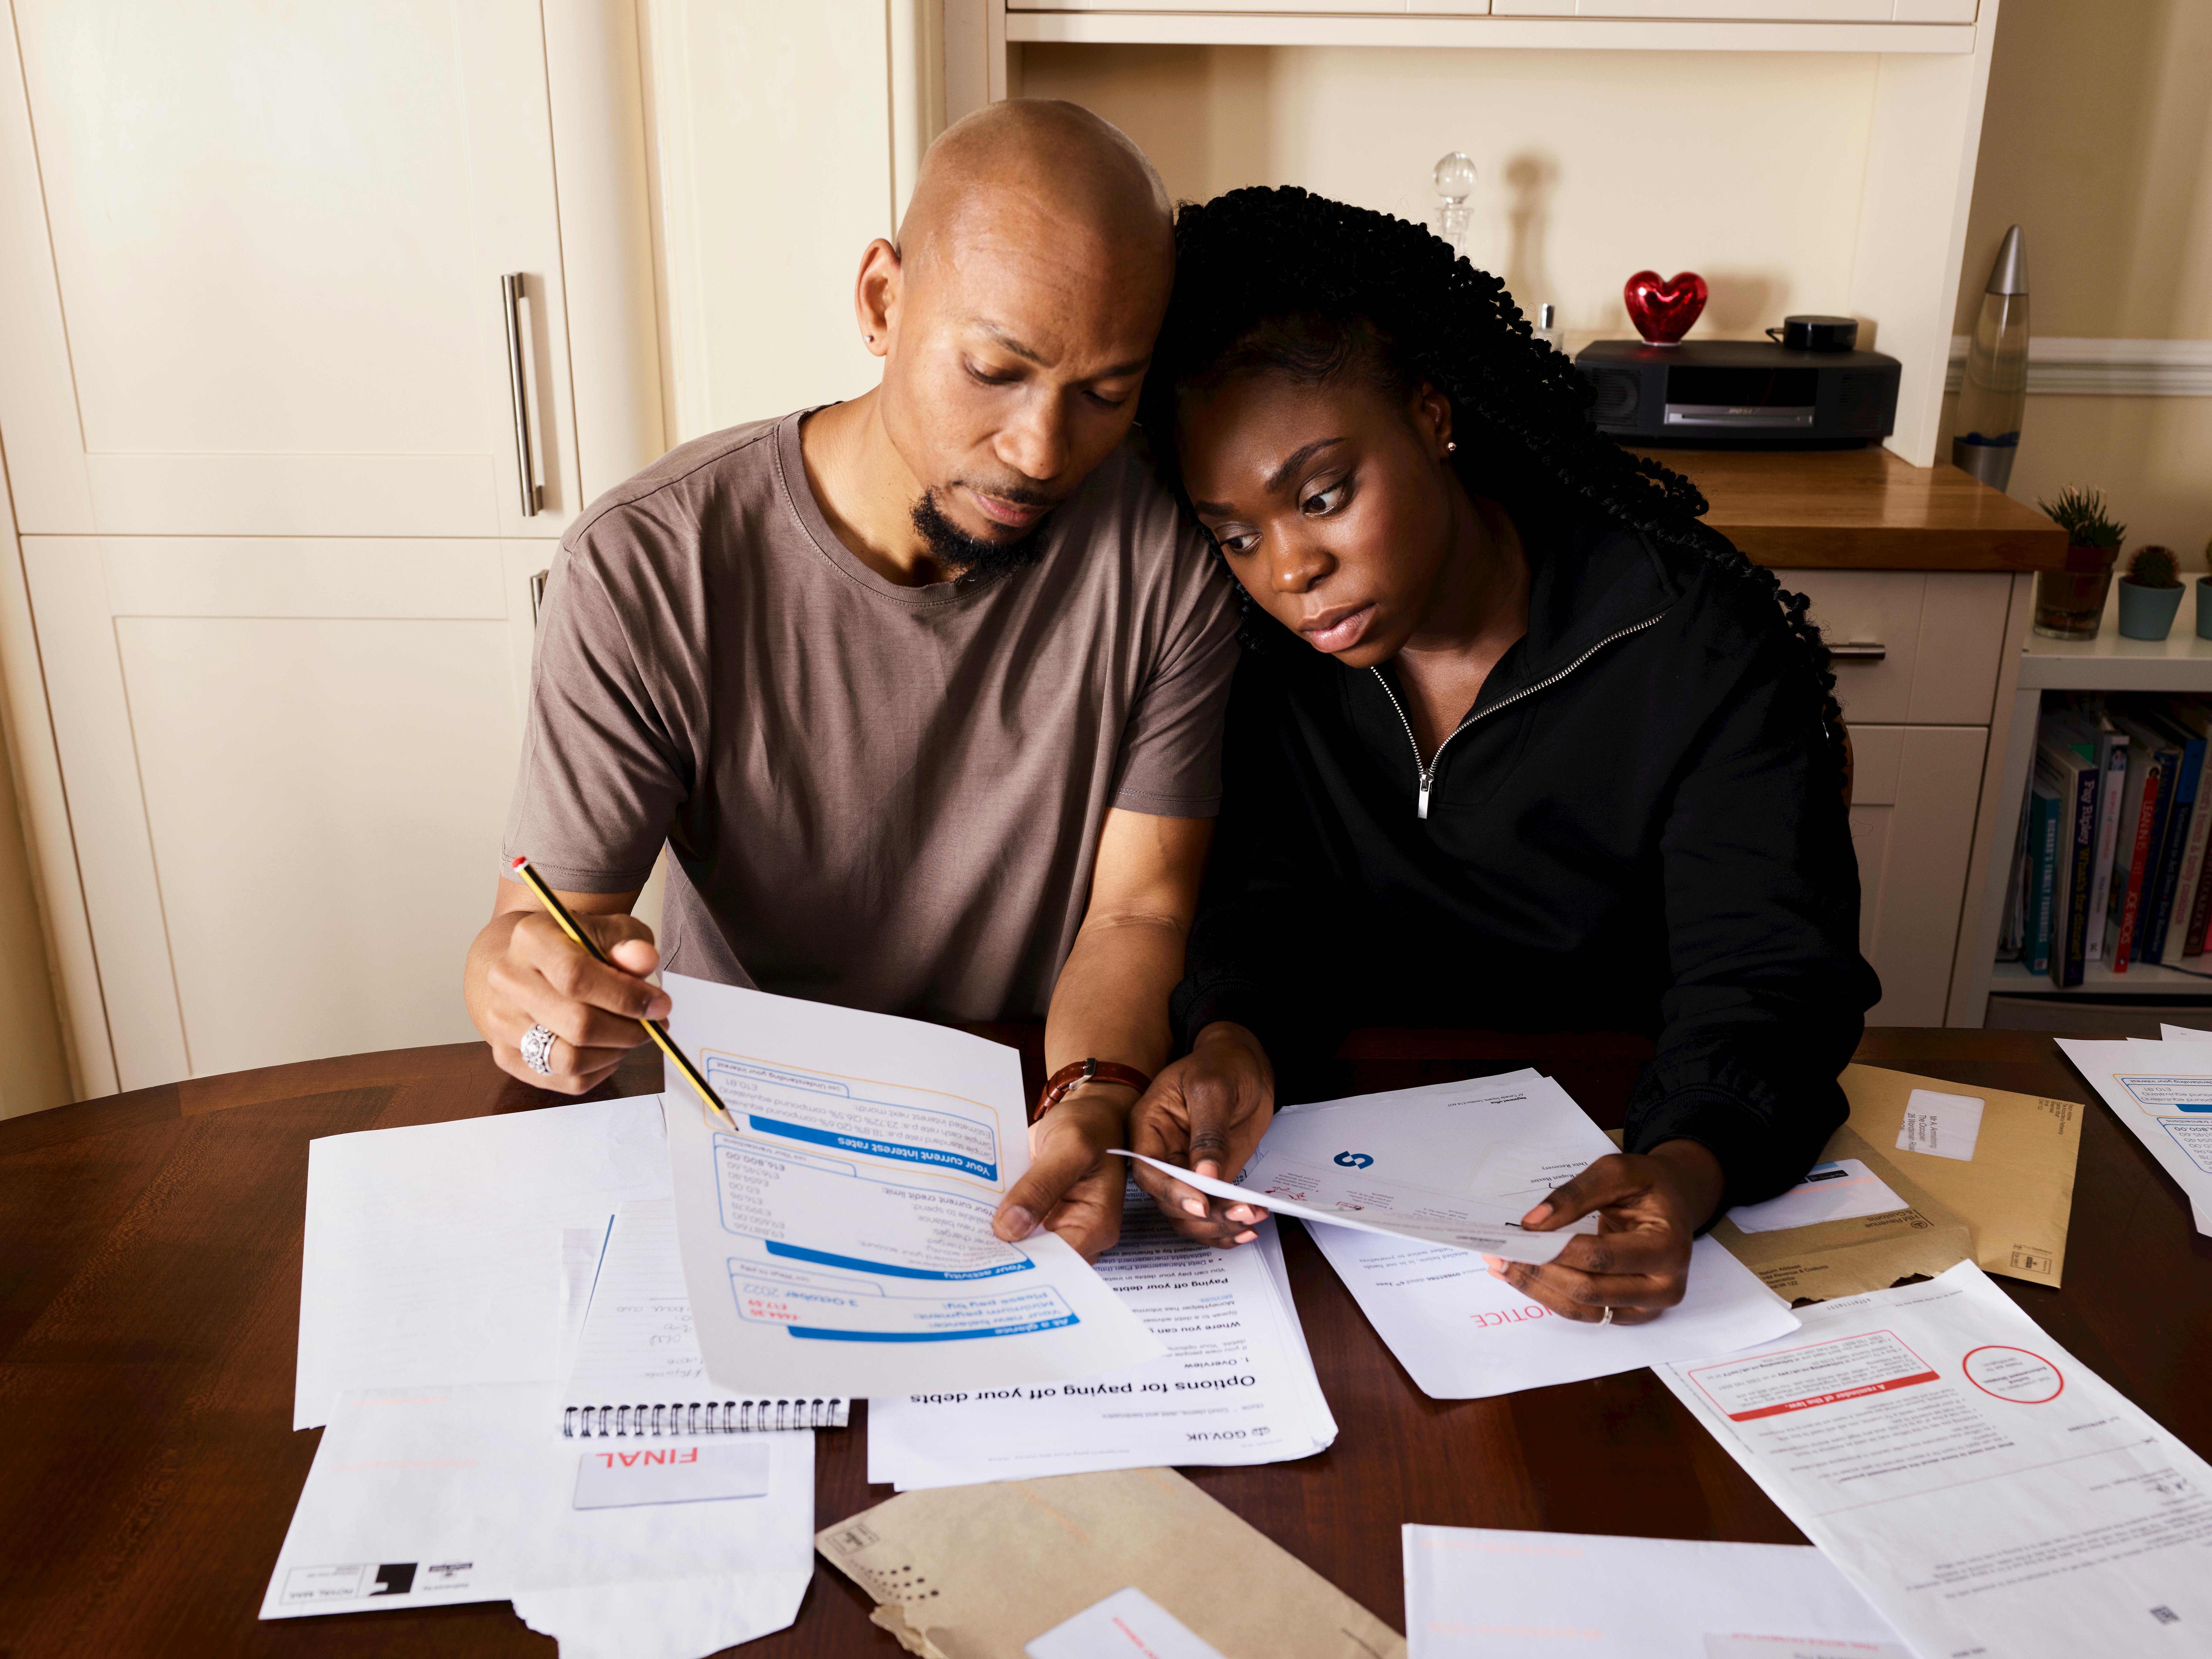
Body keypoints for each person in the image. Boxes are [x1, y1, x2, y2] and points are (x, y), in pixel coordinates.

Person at [463, 102, 1240, 1261]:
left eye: (1103, 393)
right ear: (881, 302)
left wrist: (1088, 1093)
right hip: (744, 1139)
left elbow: (1138, 909)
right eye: (994, 370)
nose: (1040, 451)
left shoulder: (1165, 564)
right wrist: (531, 1003)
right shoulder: (648, 564)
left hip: (1018, 1134)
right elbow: (547, 929)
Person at [1124, 186, 1881, 1322]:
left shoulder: (1692, 641)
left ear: (1432, 414)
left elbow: (1765, 974)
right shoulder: (1263, 661)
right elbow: (1270, 901)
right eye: (1234, 534)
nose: (1287, 570)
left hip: (1623, 1147)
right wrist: (1234, 1040)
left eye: (1322, 496)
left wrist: (1681, 1172)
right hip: (1343, 1194)